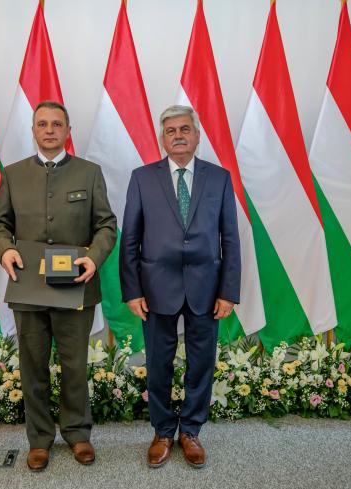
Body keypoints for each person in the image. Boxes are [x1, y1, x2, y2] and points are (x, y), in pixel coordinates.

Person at [0, 100, 117, 471]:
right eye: (42, 124)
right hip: (28, 286)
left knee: (74, 364)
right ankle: (40, 439)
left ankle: (77, 433)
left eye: (56, 124)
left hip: (75, 285)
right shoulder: (13, 174)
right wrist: (5, 250)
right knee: (33, 366)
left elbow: (106, 225)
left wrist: (94, 257)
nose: (49, 130)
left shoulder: (89, 173)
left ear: (68, 131)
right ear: (33, 130)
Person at [119, 105, 240, 469]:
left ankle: (190, 431)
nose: (178, 136)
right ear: (163, 138)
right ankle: (162, 431)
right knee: (159, 363)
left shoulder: (219, 178)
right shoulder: (142, 178)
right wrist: (132, 291)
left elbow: (230, 238)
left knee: (201, 363)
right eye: (171, 130)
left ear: (197, 135)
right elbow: (130, 239)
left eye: (185, 129)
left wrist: (228, 291)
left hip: (207, 288)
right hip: (156, 289)